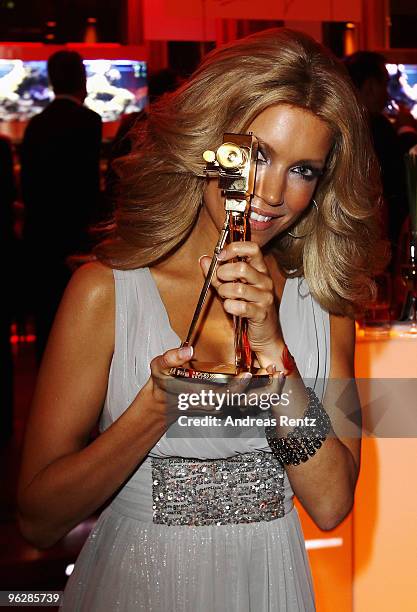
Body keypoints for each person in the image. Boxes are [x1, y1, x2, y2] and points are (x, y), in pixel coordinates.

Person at [18, 29, 385, 611]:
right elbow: (37, 519)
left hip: (270, 585)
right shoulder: (106, 292)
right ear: (205, 143)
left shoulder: (323, 306)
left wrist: (275, 355)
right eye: (257, 156)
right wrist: (152, 412)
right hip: (136, 585)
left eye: (304, 171)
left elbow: (332, 502)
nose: (270, 193)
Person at [20, 50, 102, 361]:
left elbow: (29, 186)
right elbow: (86, 186)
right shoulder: (89, 122)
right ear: (81, 79)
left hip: (40, 236)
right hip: (75, 236)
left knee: (46, 318)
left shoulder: (36, 125)